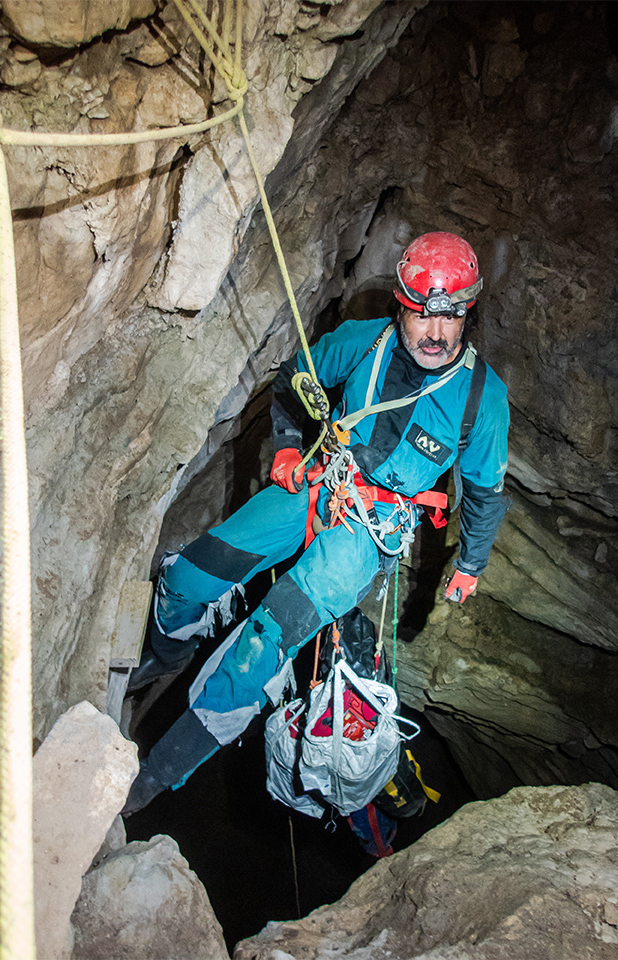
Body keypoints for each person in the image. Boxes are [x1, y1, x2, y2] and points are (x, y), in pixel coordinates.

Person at [123, 231, 509, 815]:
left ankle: (148, 781)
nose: (435, 333)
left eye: (451, 316)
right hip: (317, 480)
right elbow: (291, 382)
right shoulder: (362, 345)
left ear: (467, 312)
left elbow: (483, 492)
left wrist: (471, 562)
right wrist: (283, 447)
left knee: (257, 651)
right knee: (186, 581)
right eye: (422, 316)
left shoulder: (482, 398)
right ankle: (169, 653)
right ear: (401, 307)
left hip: (367, 532)